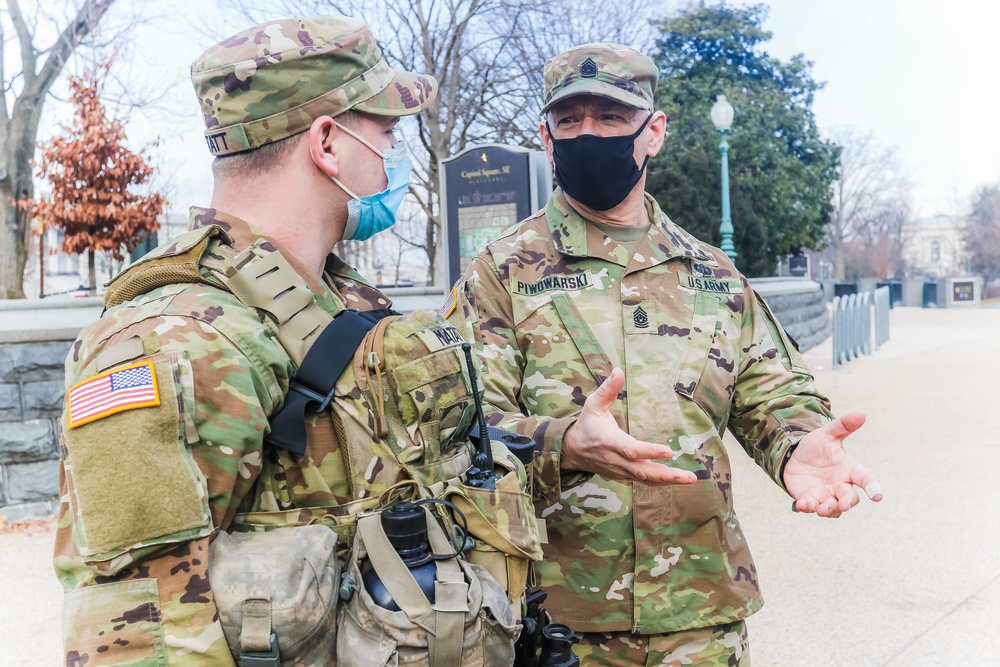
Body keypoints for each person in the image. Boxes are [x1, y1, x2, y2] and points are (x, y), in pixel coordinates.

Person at [447, 43, 884, 666]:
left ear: (653, 133)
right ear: (546, 138)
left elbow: (770, 389)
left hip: (702, 613)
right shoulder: (501, 272)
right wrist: (563, 442)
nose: (587, 135)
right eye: (569, 122)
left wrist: (799, 444)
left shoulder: (711, 272)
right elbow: (458, 426)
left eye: (610, 118)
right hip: (559, 618)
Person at [53, 15, 452, 665]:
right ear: (328, 142)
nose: (394, 154)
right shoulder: (171, 343)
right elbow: (136, 639)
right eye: (387, 132)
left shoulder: (323, 298)